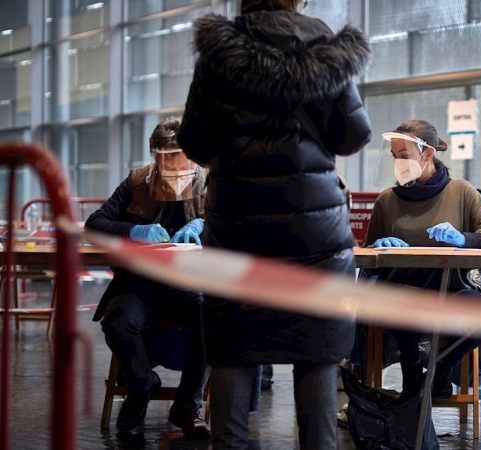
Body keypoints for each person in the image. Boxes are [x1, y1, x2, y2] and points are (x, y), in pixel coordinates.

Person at [176, 0, 371, 447]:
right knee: (317, 349)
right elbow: (352, 135)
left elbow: (194, 140)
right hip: (315, 233)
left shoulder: (219, 51)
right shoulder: (326, 43)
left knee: (233, 348)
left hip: (237, 227)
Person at [363, 119, 481, 402]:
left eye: (404, 156)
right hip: (401, 292)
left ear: (427, 154)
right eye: (395, 157)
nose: (398, 163)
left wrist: (464, 239)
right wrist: (378, 246)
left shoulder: (462, 192)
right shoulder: (386, 201)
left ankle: (443, 366)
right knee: (394, 300)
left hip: (453, 290)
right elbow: (367, 252)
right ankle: (412, 367)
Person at [85, 117, 211, 439]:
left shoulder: (210, 182)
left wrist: (201, 227)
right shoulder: (137, 182)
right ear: (154, 157)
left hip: (188, 283)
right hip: (140, 285)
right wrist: (133, 230)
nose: (172, 168)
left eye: (178, 160)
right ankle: (141, 386)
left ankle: (186, 406)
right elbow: (95, 224)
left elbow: (235, 229)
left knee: (213, 320)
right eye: (164, 160)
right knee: (117, 321)